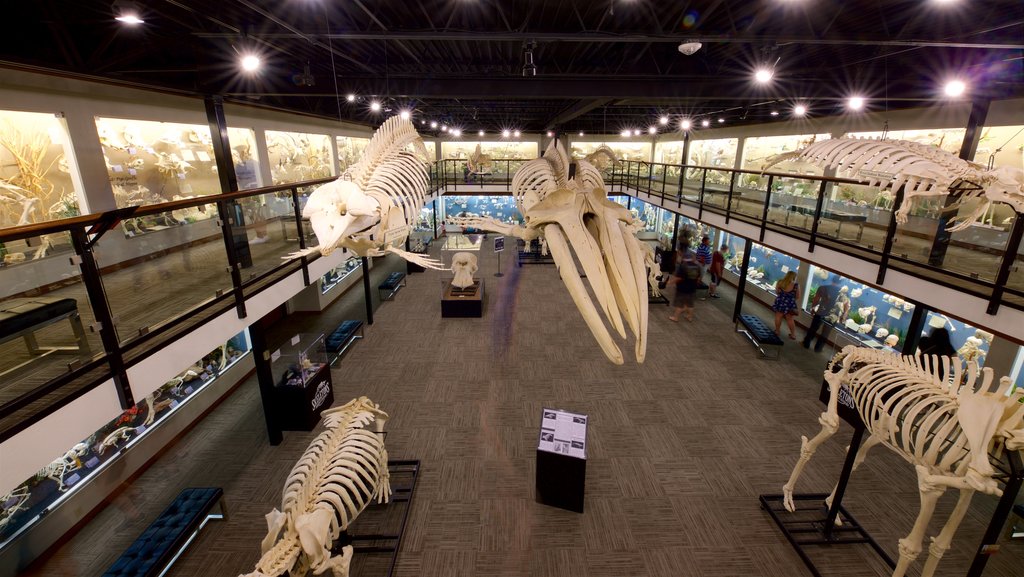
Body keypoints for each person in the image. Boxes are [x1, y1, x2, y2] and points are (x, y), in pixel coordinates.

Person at [804, 275, 841, 351]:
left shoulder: (823, 288)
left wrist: (813, 309)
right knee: (825, 333)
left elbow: (816, 299)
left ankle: (806, 343)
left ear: (832, 279)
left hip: (821, 312)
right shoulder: (842, 293)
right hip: (833, 316)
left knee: (813, 328)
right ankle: (818, 348)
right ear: (840, 282)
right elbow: (845, 306)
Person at [668, 244, 700, 322]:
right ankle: (690, 317)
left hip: (682, 288)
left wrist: (670, 282)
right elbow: (698, 278)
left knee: (679, 303)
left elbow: (679, 278)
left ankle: (675, 317)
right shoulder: (697, 266)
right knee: (690, 304)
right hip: (692, 288)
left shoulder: (683, 266)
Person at [772, 270, 801, 340]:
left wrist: (782, 296)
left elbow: (777, 292)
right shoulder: (796, 285)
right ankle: (793, 335)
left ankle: (777, 331)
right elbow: (798, 296)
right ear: (794, 277)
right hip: (790, 304)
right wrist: (790, 299)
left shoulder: (780, 282)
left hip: (780, 301)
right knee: (790, 319)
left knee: (778, 316)